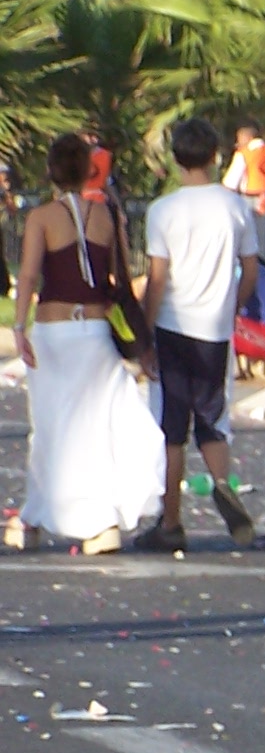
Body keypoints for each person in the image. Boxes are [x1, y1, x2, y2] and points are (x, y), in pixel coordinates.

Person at [8, 132, 164, 555]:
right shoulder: (106, 216)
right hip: (95, 330)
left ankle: (36, 516)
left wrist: (19, 326)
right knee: (98, 426)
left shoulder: (41, 218)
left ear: (50, 172)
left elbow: (28, 276)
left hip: (54, 332)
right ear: (88, 171)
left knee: (51, 426)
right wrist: (142, 342)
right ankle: (102, 522)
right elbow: (120, 282)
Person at [135, 119, 260, 552]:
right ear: (216, 155)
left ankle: (170, 521)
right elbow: (251, 270)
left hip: (172, 326)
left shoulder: (163, 211)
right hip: (215, 330)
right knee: (211, 419)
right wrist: (233, 305)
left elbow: (157, 278)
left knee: (172, 429)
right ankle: (223, 483)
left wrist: (144, 335)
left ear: (175, 158)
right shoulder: (236, 207)